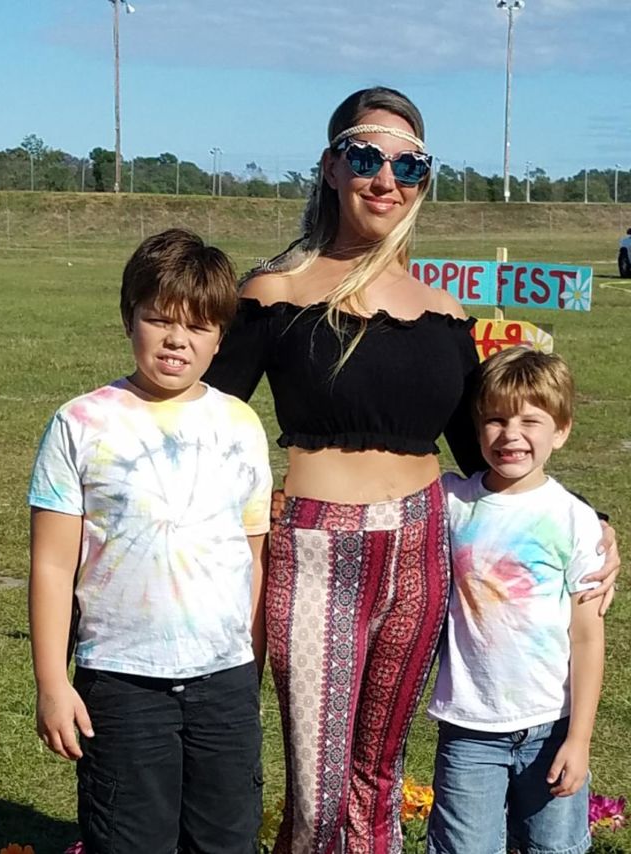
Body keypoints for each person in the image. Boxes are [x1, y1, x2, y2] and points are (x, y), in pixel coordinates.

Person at [204, 87, 618, 853]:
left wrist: (589, 518)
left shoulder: (444, 315)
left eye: (410, 165)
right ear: (332, 167)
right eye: (367, 157)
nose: (386, 179)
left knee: (379, 778)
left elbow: (486, 451)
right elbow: (203, 422)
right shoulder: (275, 294)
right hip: (318, 550)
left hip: (422, 550)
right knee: (319, 790)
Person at [28, 229, 272, 854]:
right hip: (121, 682)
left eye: (197, 326)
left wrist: (248, 668)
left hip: (224, 683)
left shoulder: (242, 425)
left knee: (226, 839)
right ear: (128, 318)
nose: (176, 339)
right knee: (131, 840)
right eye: (159, 319)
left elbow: (252, 555)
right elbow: (52, 566)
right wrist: (53, 684)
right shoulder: (79, 423)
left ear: (220, 337)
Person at [427, 347, 605, 854]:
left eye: (530, 421)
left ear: (561, 431)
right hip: (469, 729)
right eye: (496, 420)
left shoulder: (573, 518)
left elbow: (587, 637)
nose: (511, 435)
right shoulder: (450, 501)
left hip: (552, 724)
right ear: (476, 427)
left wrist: (579, 739)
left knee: (555, 848)